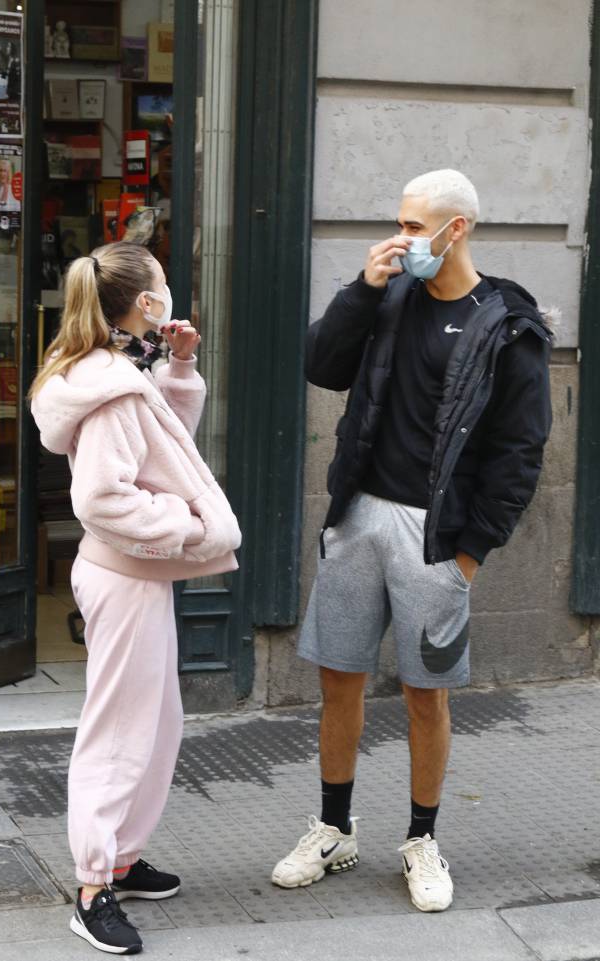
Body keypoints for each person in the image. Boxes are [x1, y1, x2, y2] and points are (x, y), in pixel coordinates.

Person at [271, 170, 552, 912]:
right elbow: (320, 365)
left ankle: (422, 839)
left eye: (414, 225)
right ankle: (334, 827)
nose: (402, 237)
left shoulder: (507, 325)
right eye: (397, 220)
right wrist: (362, 288)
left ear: (455, 229)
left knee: (426, 694)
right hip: (360, 513)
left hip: (437, 537)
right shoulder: (389, 296)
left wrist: (469, 554)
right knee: (339, 676)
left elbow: (520, 452)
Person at [30, 241, 241, 954]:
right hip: (125, 573)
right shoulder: (111, 383)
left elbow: (163, 444)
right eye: (161, 286)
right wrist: (185, 527)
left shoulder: (117, 372)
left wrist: (178, 364)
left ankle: (119, 856)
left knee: (158, 722)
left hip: (132, 574)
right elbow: (100, 497)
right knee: (121, 730)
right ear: (143, 302)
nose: (169, 294)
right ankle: (93, 886)